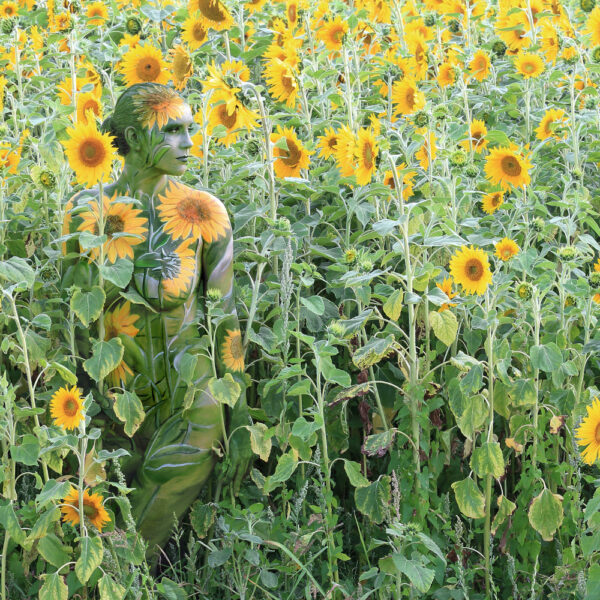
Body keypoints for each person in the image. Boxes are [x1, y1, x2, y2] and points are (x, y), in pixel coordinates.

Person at [62, 82, 251, 555]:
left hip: (193, 397)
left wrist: (241, 417)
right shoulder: (85, 213)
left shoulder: (205, 213)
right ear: (131, 136)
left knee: (139, 531)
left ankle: (117, 583)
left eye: (190, 129)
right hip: (116, 399)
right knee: (109, 512)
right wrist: (86, 400)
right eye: (172, 131)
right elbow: (77, 319)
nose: (189, 142)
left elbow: (225, 318)